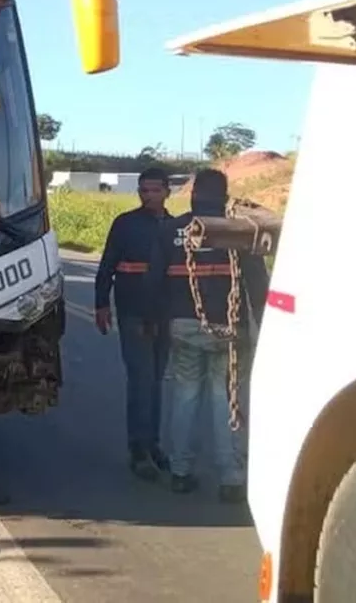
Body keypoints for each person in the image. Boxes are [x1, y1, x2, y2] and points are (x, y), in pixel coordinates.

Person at [147, 168, 268, 502]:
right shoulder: (241, 233)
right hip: (229, 330)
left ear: (193, 193)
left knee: (185, 396)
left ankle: (181, 472)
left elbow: (153, 282)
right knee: (226, 400)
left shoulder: (171, 229)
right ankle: (231, 478)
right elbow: (258, 285)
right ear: (225, 197)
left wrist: (153, 322)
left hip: (183, 327)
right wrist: (264, 324)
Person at [94, 166, 173, 480]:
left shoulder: (176, 227)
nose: (148, 195)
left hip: (165, 315)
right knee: (141, 381)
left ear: (168, 191)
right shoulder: (125, 225)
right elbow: (107, 266)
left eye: (155, 190)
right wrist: (101, 304)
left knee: (155, 382)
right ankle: (138, 451)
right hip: (133, 313)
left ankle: (153, 444)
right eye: (144, 190)